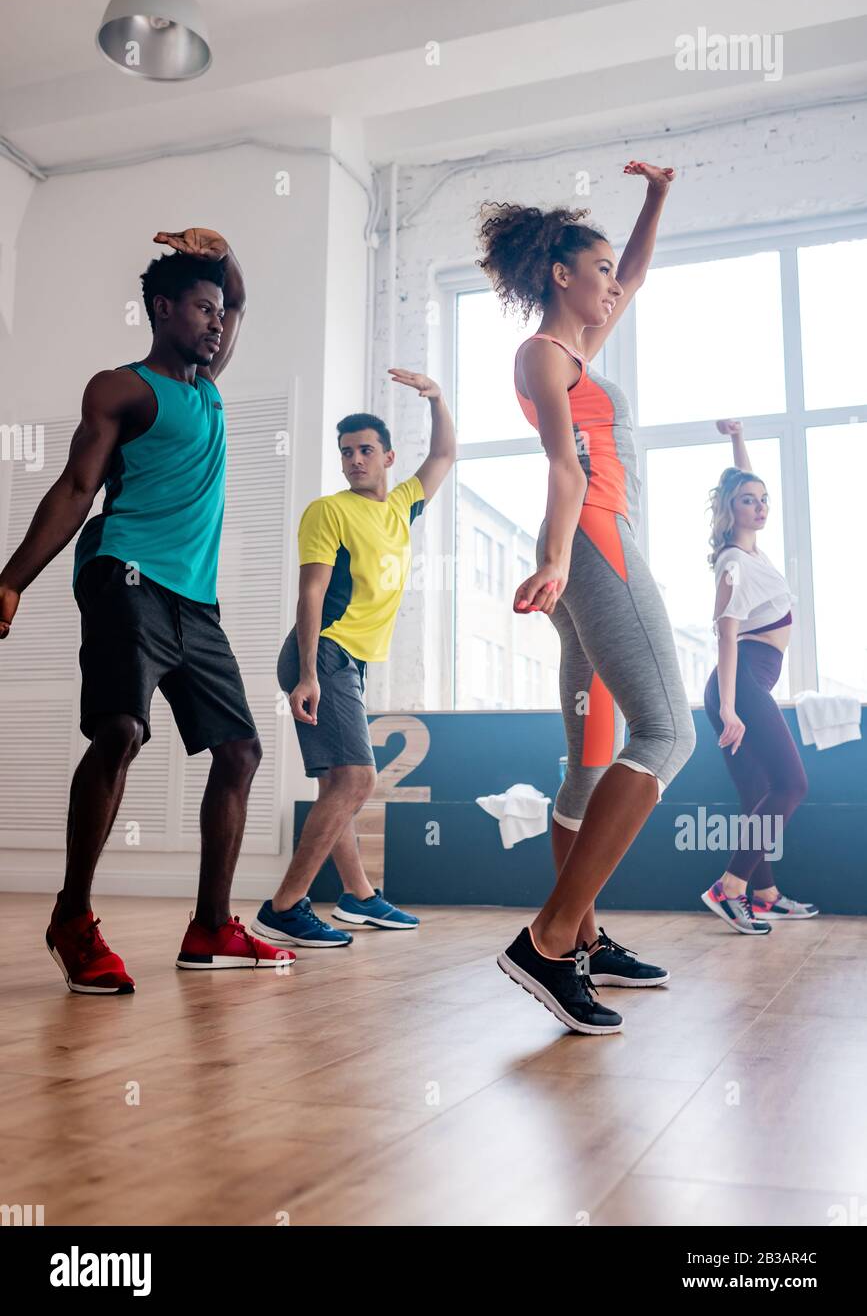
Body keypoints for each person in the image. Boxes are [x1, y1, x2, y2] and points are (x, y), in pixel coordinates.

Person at [0, 228, 291, 993]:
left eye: (221, 313)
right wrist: (13, 580)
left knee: (240, 752)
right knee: (122, 729)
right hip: (121, 570)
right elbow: (74, 488)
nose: (217, 322)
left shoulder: (207, 384)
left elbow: (245, 296)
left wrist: (226, 252)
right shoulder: (121, 387)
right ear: (162, 310)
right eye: (202, 309)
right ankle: (72, 916)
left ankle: (210, 927)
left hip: (195, 603)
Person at [476, 161, 696, 1035]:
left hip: (587, 551)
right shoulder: (540, 355)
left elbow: (636, 275)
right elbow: (564, 468)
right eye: (597, 268)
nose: (613, 282)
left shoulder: (572, 349)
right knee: (667, 731)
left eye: (611, 270)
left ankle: (585, 939)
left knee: (590, 759)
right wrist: (562, 559)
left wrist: (656, 199)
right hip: (596, 545)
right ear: (561, 275)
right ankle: (551, 936)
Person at [251, 373, 456, 949]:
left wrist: (437, 397)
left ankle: (359, 897)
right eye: (346, 452)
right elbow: (310, 594)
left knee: (339, 784)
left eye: (366, 450)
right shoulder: (328, 511)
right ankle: (284, 907)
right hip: (323, 654)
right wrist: (311, 673)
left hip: (350, 663)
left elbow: (444, 454)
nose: (355, 460)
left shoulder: (401, 507)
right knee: (360, 779)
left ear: (388, 457)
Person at [701, 419, 817, 932]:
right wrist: (729, 707)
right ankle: (730, 888)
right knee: (792, 785)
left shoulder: (751, 551)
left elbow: (742, 480)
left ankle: (765, 893)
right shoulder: (735, 564)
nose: (761, 506)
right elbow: (725, 635)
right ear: (732, 510)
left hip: (749, 683)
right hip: (741, 683)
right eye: (749, 501)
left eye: (764, 499)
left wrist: (736, 441)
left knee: (759, 795)